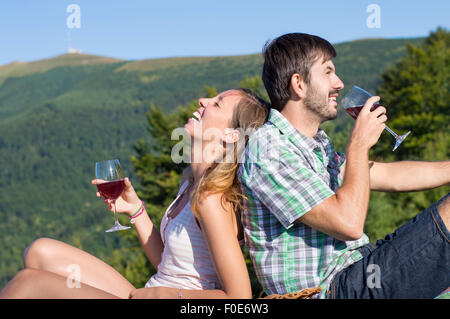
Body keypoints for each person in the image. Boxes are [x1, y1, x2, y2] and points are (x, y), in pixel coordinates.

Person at [0, 88, 269, 299]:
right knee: (40, 251)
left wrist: (164, 294)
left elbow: (239, 297)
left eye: (217, 103)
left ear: (232, 136)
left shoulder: (212, 199)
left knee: (29, 283)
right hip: (153, 291)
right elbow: (170, 264)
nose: (203, 100)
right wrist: (136, 210)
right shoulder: (191, 181)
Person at [238, 32, 450, 299]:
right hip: (332, 291)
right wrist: (359, 145)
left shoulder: (314, 144)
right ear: (299, 84)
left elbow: (390, 175)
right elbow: (349, 223)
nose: (338, 83)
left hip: (361, 269)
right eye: (328, 72)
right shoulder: (268, 149)